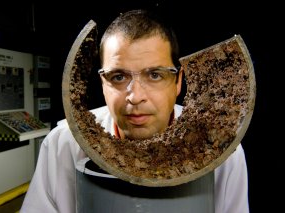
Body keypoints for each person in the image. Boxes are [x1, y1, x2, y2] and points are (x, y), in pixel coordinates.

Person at [20, 9, 249, 213]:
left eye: (155, 75)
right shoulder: (64, 145)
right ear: (102, 83)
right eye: (118, 77)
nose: (135, 96)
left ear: (178, 82)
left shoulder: (220, 149)